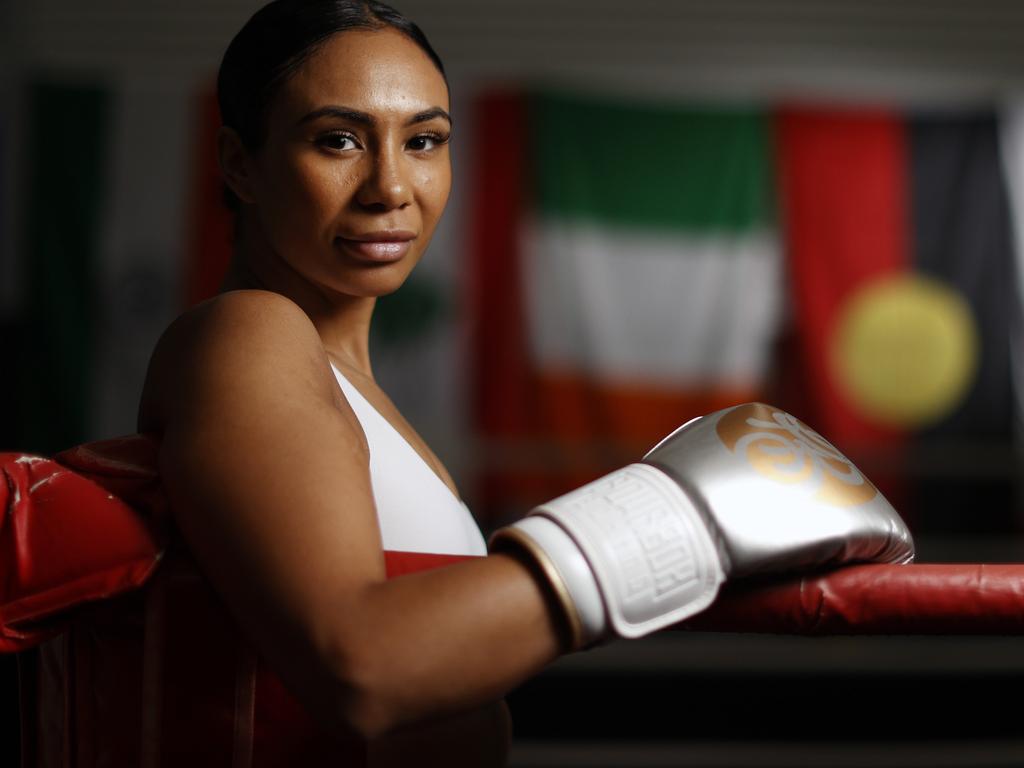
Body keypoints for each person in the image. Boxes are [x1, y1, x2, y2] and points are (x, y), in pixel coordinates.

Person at [134, 1, 912, 764]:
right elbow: (359, 663)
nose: (391, 187)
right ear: (240, 162)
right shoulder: (248, 334)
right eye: (338, 140)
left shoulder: (340, 382)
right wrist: (681, 520)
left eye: (425, 140)